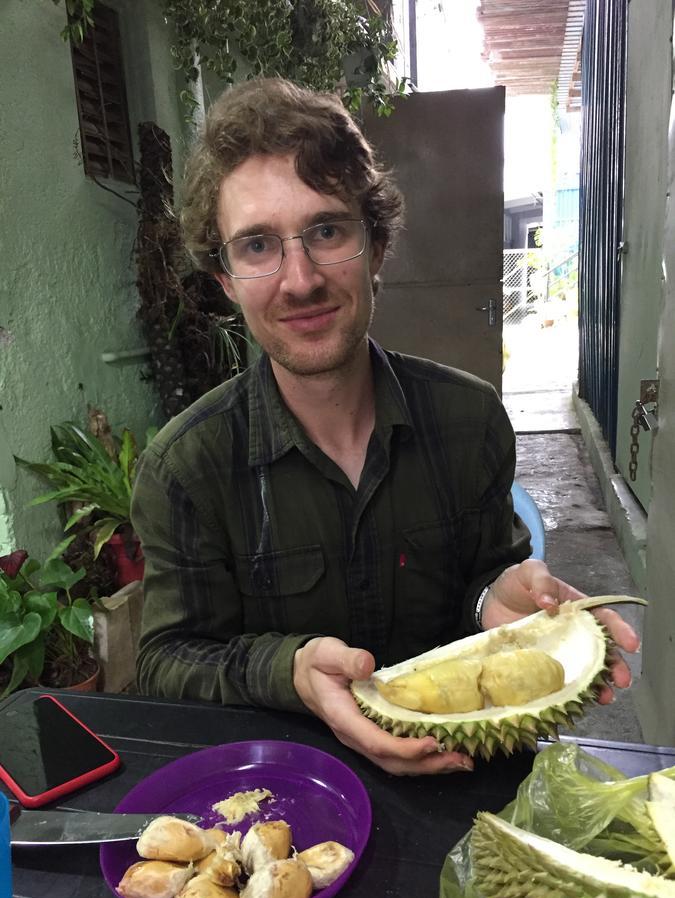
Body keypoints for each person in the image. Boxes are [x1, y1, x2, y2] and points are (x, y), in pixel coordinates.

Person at [131, 78, 639, 776]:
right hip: (285, 802)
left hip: (465, 777)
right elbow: (167, 658)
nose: (299, 278)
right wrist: (291, 668)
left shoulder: (468, 419)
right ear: (224, 280)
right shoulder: (186, 469)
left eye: (327, 230)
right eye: (256, 246)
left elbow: (484, 580)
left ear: (376, 245)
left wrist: (499, 599)